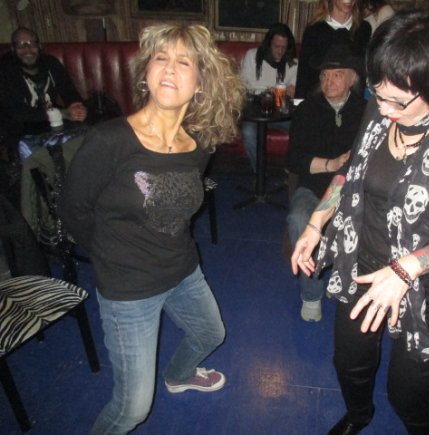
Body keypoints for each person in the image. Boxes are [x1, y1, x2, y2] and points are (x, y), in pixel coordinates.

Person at [291, 10, 429, 434]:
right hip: (361, 263)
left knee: (409, 396)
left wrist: (404, 270)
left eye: (397, 100)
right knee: (349, 365)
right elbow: (352, 171)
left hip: (428, 283)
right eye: (377, 93)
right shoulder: (382, 108)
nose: (383, 109)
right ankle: (359, 416)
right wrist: (317, 220)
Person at [58, 24, 245, 434]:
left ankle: (179, 376)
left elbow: (178, 207)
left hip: (182, 269)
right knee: (132, 410)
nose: (169, 69)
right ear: (145, 73)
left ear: (200, 83)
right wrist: (114, 256)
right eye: (161, 58)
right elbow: (73, 211)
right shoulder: (109, 141)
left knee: (211, 333)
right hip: (128, 288)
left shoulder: (199, 145)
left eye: (184, 61)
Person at [286, 44, 366, 322]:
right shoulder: (307, 109)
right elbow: (293, 160)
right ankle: (311, 294)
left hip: (354, 191)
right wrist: (329, 164)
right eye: (324, 76)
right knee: (298, 219)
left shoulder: (366, 111)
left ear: (351, 79)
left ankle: (346, 281)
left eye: (337, 75)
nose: (328, 82)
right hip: (313, 188)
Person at [0, 27, 87, 159]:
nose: (27, 49)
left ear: (39, 46)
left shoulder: (50, 63)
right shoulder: (5, 70)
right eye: (21, 45)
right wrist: (63, 114)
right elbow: (15, 112)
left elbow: (69, 91)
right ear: (13, 48)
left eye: (32, 43)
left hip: (51, 123)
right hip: (19, 130)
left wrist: (77, 107)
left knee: (85, 136)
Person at [240, 23, 298, 172]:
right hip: (254, 113)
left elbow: (293, 90)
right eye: (276, 46)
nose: (280, 51)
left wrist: (293, 89)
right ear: (269, 44)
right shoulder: (253, 56)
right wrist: (268, 91)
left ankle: (292, 172)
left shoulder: (292, 63)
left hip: (279, 114)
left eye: (283, 47)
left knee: (300, 128)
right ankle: (259, 174)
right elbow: (245, 85)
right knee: (248, 132)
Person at [295, 0, 371, 99]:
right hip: (317, 104)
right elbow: (303, 73)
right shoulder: (313, 30)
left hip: (353, 105)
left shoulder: (364, 29)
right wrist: (299, 104)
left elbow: (365, 71)